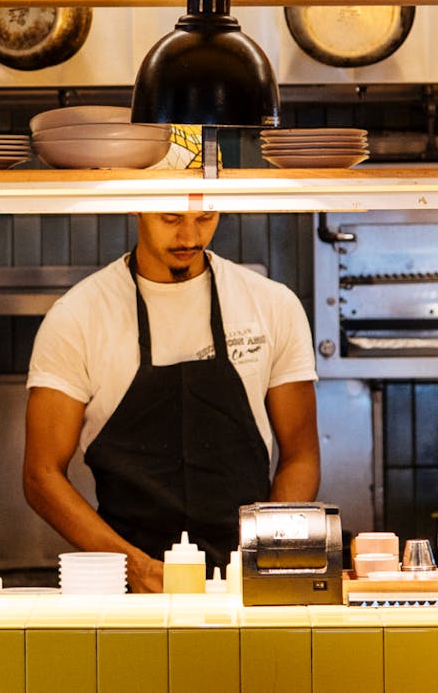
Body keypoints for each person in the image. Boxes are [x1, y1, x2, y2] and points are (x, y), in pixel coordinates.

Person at [23, 211, 320, 593]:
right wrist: (136, 569)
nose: (189, 236)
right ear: (136, 206)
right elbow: (40, 475)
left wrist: (268, 555)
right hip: (129, 586)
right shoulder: (79, 316)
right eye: (170, 218)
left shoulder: (273, 304)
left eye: (205, 218)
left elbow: (302, 455)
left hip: (243, 583)